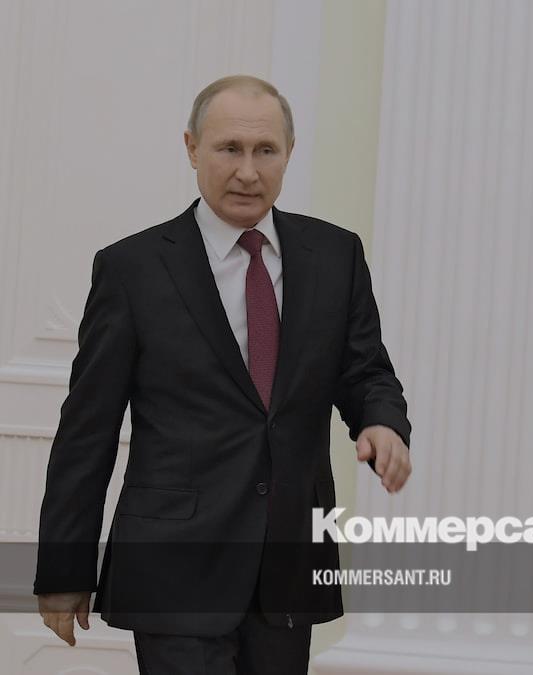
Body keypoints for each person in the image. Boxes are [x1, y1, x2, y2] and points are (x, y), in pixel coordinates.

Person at [33, 75, 413, 674]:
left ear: (290, 152)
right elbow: (88, 430)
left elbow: (366, 371)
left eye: (266, 151)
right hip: (173, 570)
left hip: (287, 568)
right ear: (191, 148)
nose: (248, 172)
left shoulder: (336, 255)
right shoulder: (132, 269)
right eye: (229, 149)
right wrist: (64, 567)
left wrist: (383, 423)